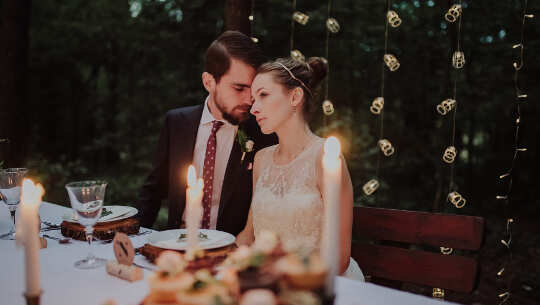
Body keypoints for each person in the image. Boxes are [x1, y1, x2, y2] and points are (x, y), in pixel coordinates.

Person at [236, 57, 364, 280]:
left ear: (295, 96)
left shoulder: (326, 157)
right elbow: (248, 236)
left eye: (263, 95)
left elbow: (340, 258)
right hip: (269, 281)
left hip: (323, 284)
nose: (254, 109)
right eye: (253, 99)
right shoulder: (261, 159)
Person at [136, 31, 275, 235]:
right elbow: (153, 189)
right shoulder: (176, 123)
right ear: (208, 82)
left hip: (231, 252)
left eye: (253, 90)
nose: (249, 100)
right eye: (239, 88)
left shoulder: (263, 132)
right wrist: (135, 238)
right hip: (177, 243)